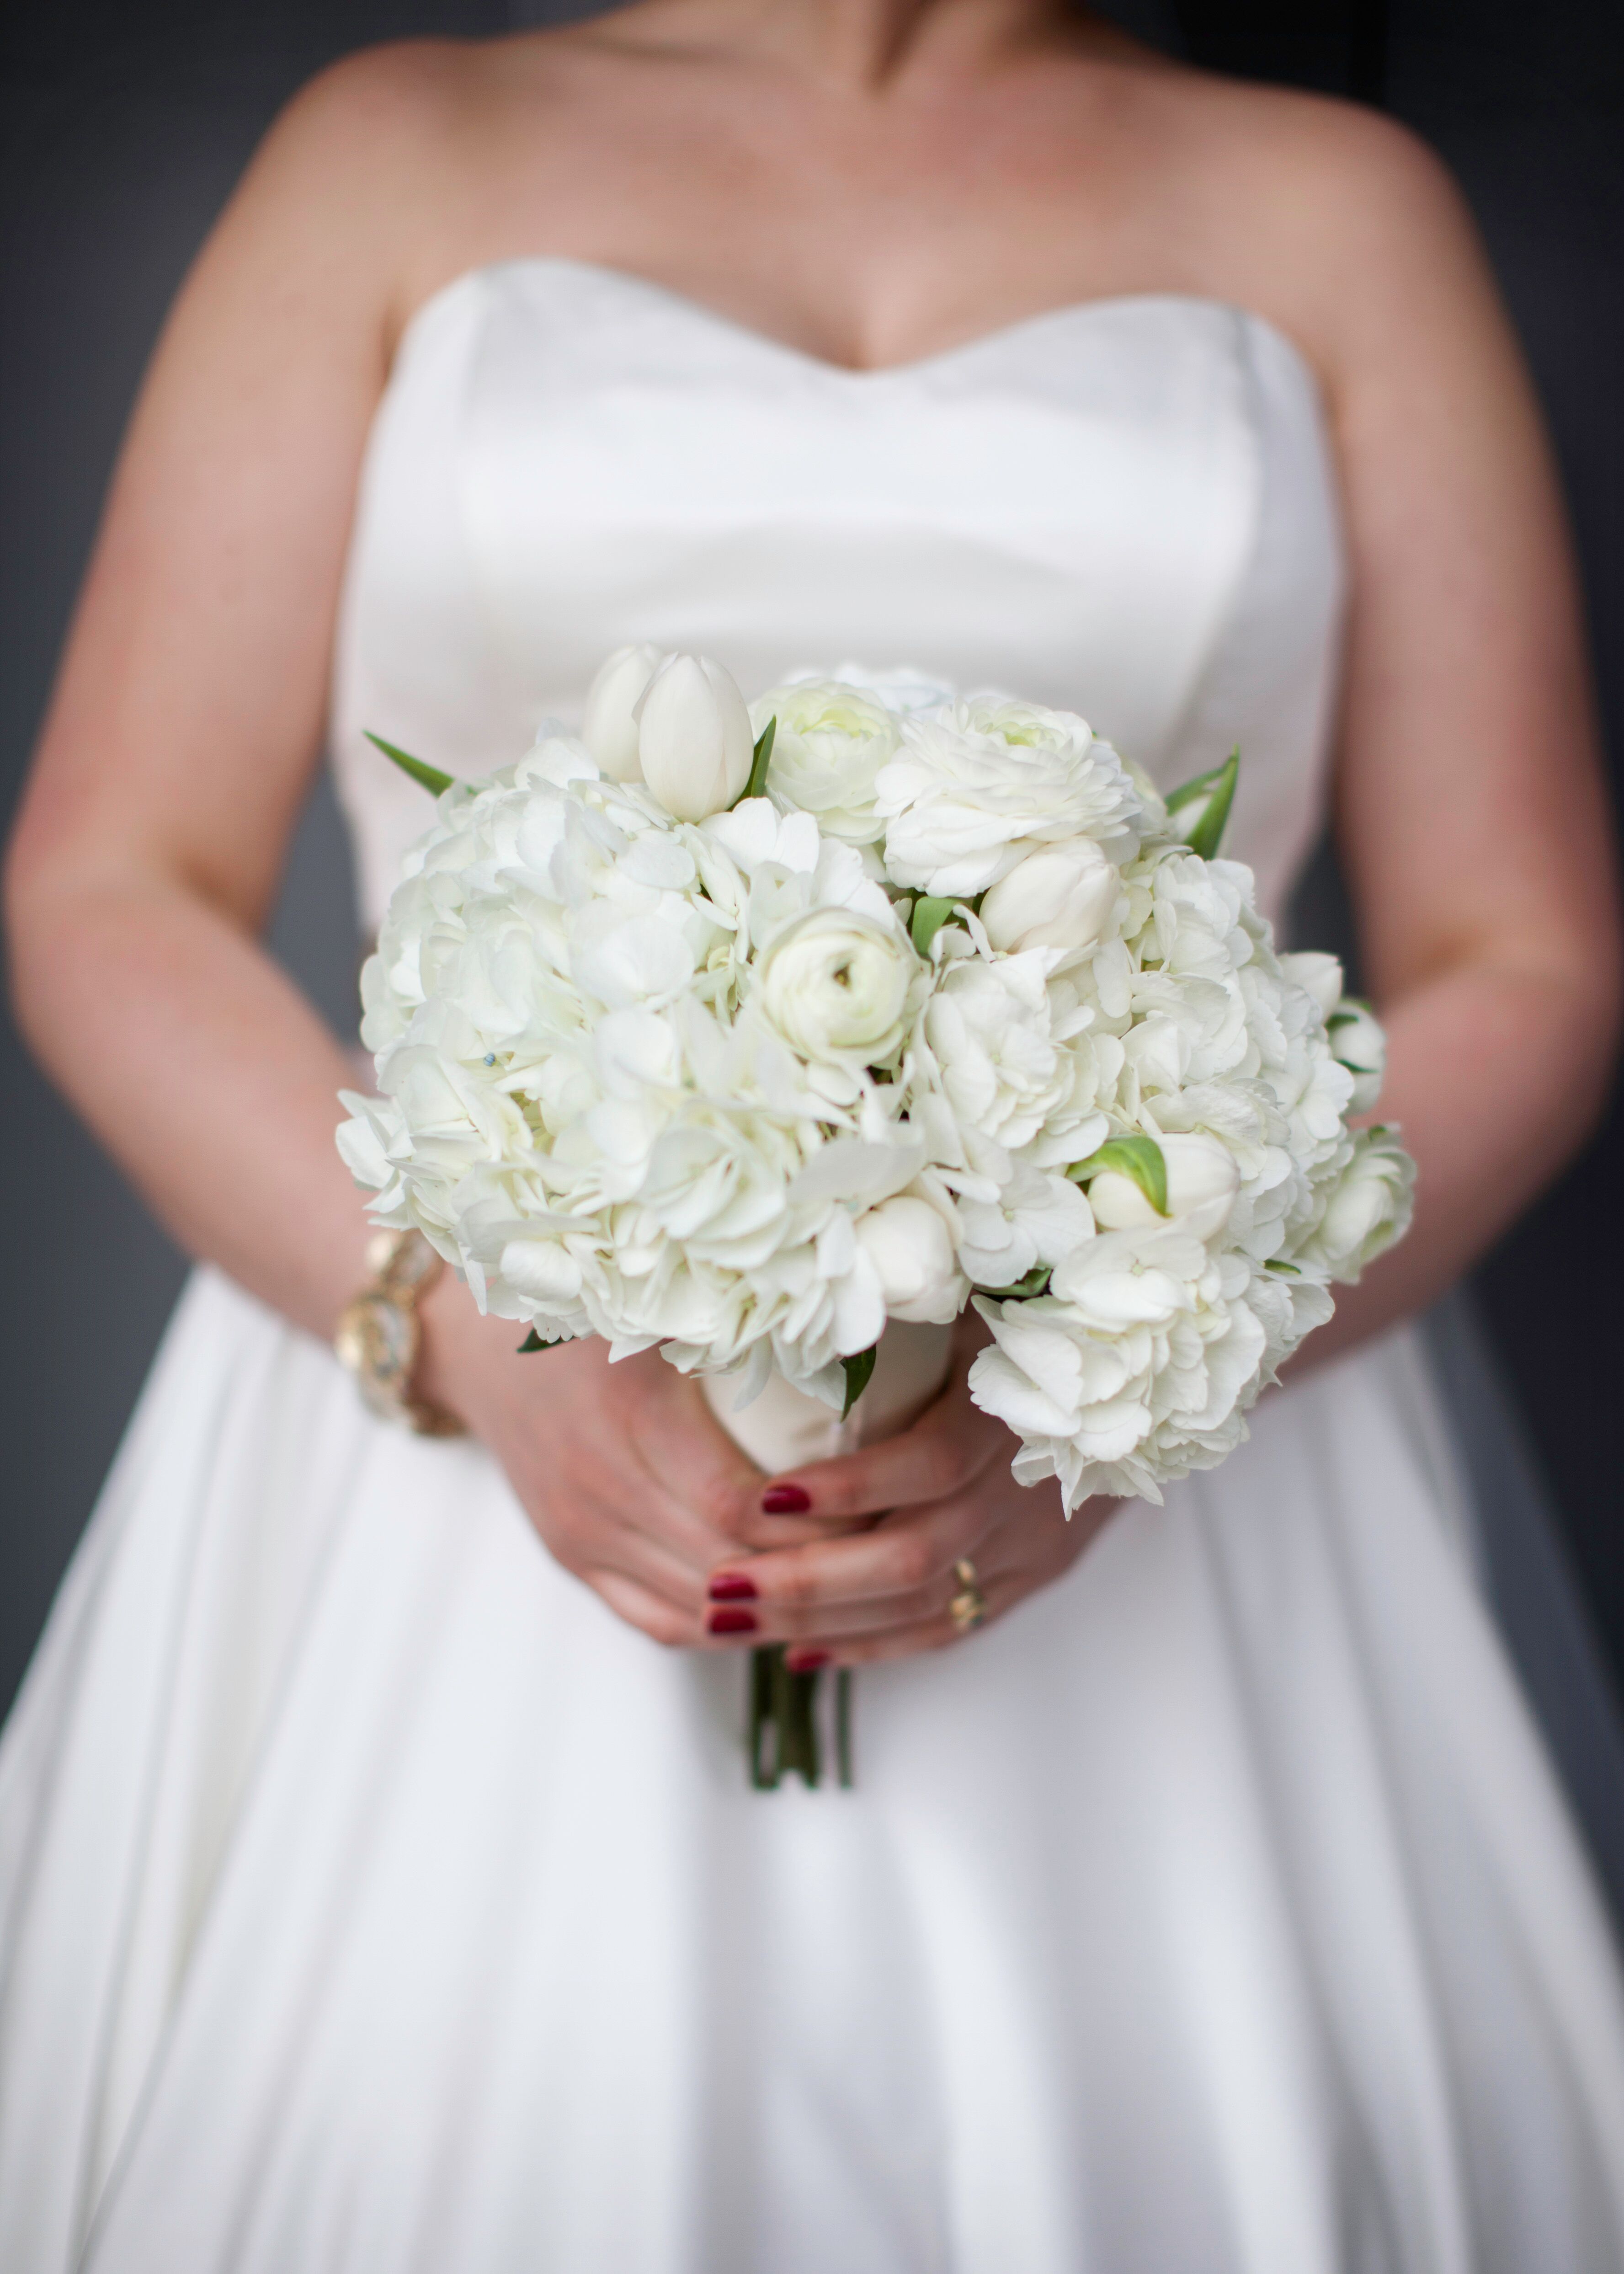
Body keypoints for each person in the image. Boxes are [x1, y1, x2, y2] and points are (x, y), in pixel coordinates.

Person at [3, 0, 1623, 2264]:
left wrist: (1138, 1373)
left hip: (1163, 1498)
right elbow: (109, 880)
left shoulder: (1339, 215)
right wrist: (461, 1333)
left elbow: (1520, 954)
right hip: (469, 1482)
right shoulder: (390, 156)